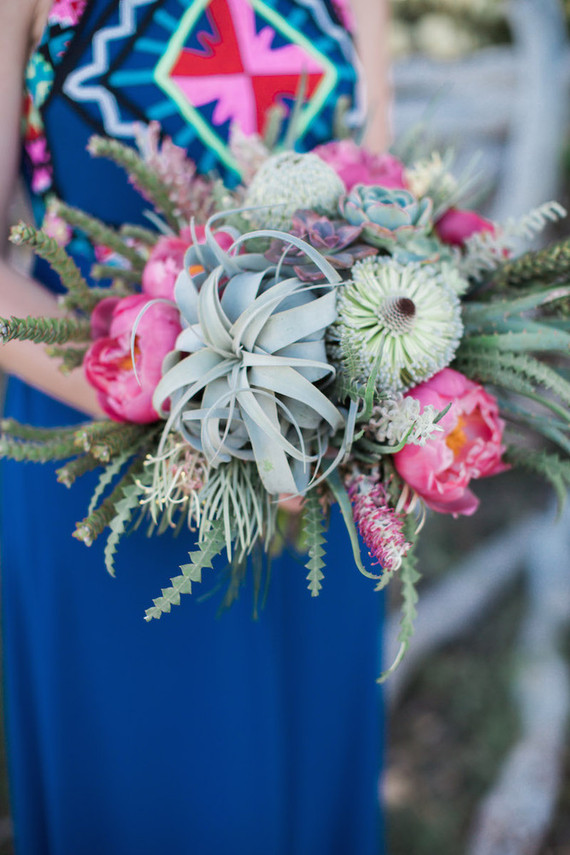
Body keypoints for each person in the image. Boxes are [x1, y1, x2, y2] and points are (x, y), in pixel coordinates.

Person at [0, 1, 391, 852]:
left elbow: (389, 209)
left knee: (311, 781)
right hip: (109, 463)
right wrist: (206, 402)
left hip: (316, 470)